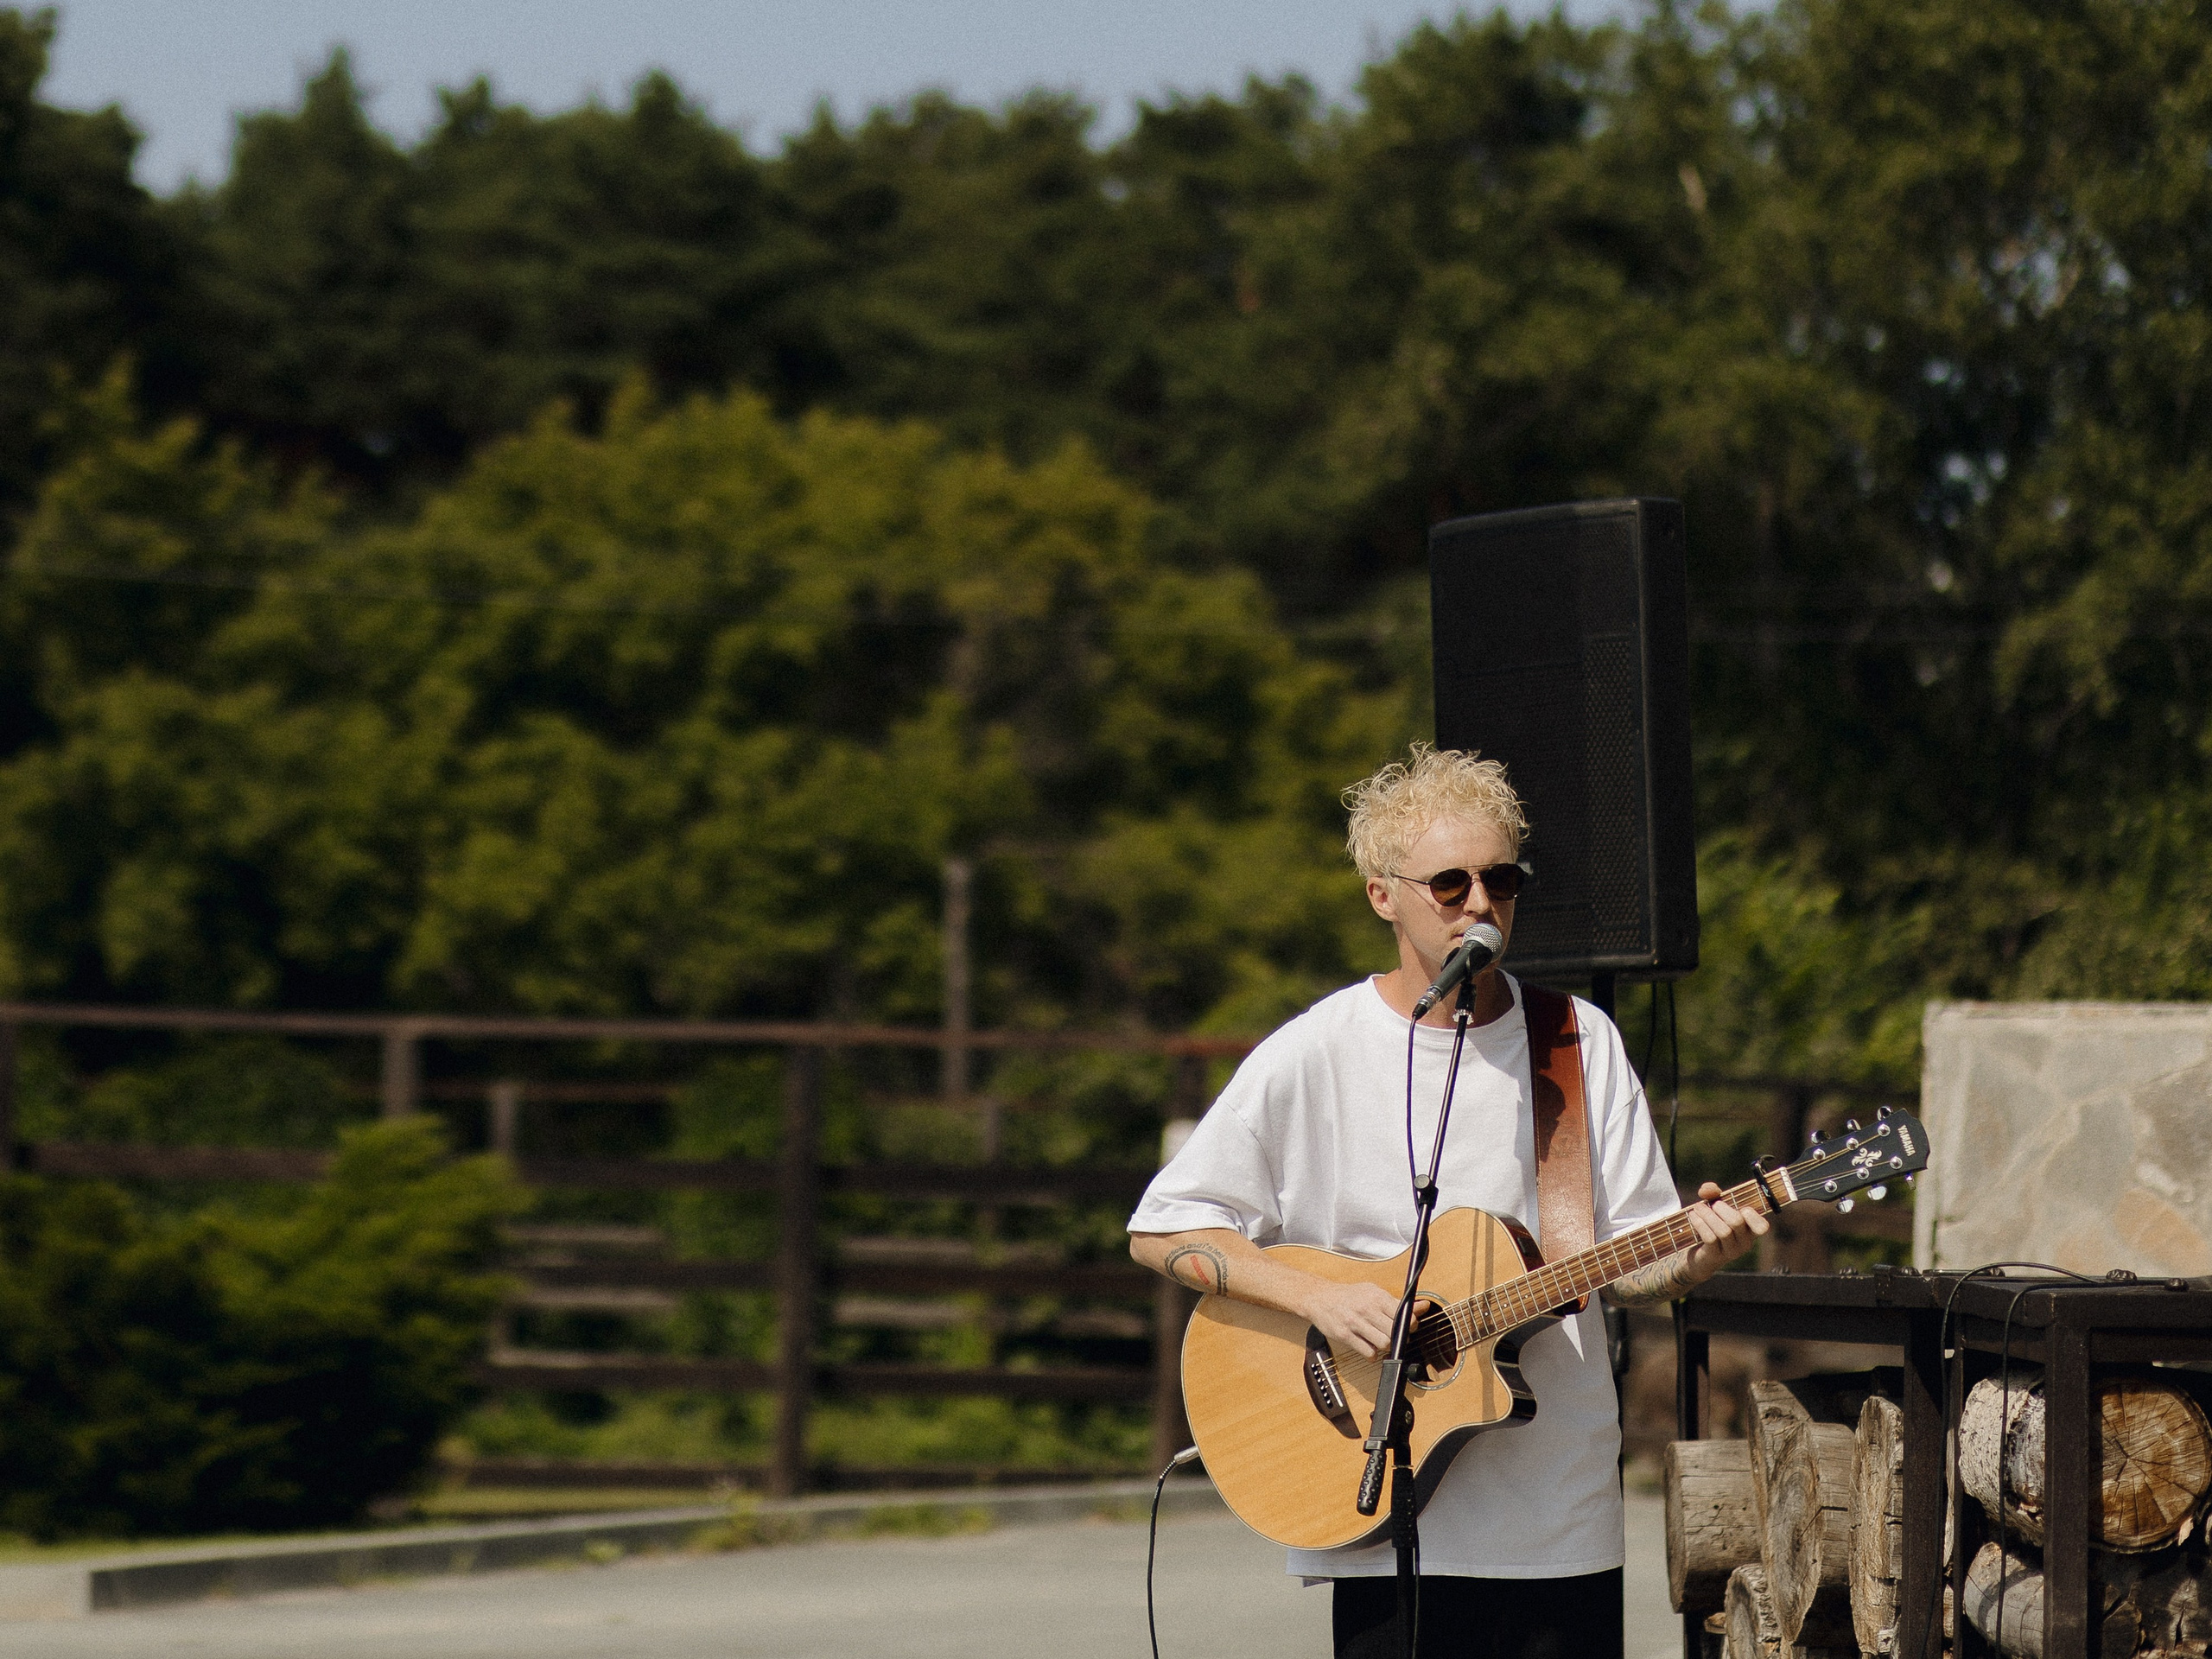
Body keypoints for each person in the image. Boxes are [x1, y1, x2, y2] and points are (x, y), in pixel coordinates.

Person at [1128, 746, 1766, 1659]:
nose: (1480, 903)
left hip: (1554, 1518)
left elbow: (1635, 1260)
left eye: (1502, 879)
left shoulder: (1573, 1042)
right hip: (1375, 1501)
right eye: (1450, 882)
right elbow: (1163, 1229)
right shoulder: (1316, 1053)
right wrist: (1319, 1300)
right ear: (1382, 894)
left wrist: (1699, 1253)